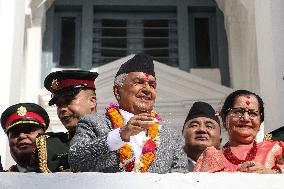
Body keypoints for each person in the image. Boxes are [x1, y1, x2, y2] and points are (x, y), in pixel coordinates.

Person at [69, 53, 188, 173]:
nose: (147, 89)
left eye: (152, 85)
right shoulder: (92, 124)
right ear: (117, 92)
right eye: (138, 82)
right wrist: (120, 135)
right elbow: (75, 159)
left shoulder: (173, 137)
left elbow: (181, 180)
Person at [194, 90, 284, 173]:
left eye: (253, 114)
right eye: (238, 112)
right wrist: (236, 175)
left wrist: (272, 173)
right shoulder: (212, 157)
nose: (246, 118)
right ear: (224, 119)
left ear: (260, 123)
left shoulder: (276, 149)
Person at [31, 70, 98, 172]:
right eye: (58, 105)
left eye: (68, 101)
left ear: (92, 102)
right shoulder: (48, 147)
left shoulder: (119, 135)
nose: (62, 109)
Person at [0, 103, 50, 172]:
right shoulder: (3, 180)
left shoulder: (66, 170)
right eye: (15, 133)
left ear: (44, 135)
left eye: (29, 131)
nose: (21, 136)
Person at [182, 101, 221, 171]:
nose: (202, 129)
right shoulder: (168, 167)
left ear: (220, 141)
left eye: (209, 126)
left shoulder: (233, 169)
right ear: (181, 137)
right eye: (194, 125)